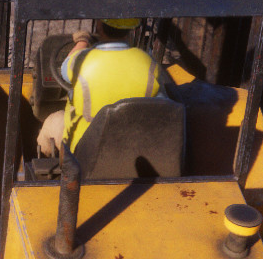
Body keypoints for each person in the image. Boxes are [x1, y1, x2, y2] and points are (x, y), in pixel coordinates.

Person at [37, 19, 167, 157]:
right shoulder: (149, 62)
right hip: (134, 148)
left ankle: (44, 161)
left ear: (99, 26)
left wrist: (82, 41)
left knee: (54, 119)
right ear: (130, 31)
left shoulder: (81, 60)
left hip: (84, 152)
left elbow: (65, 68)